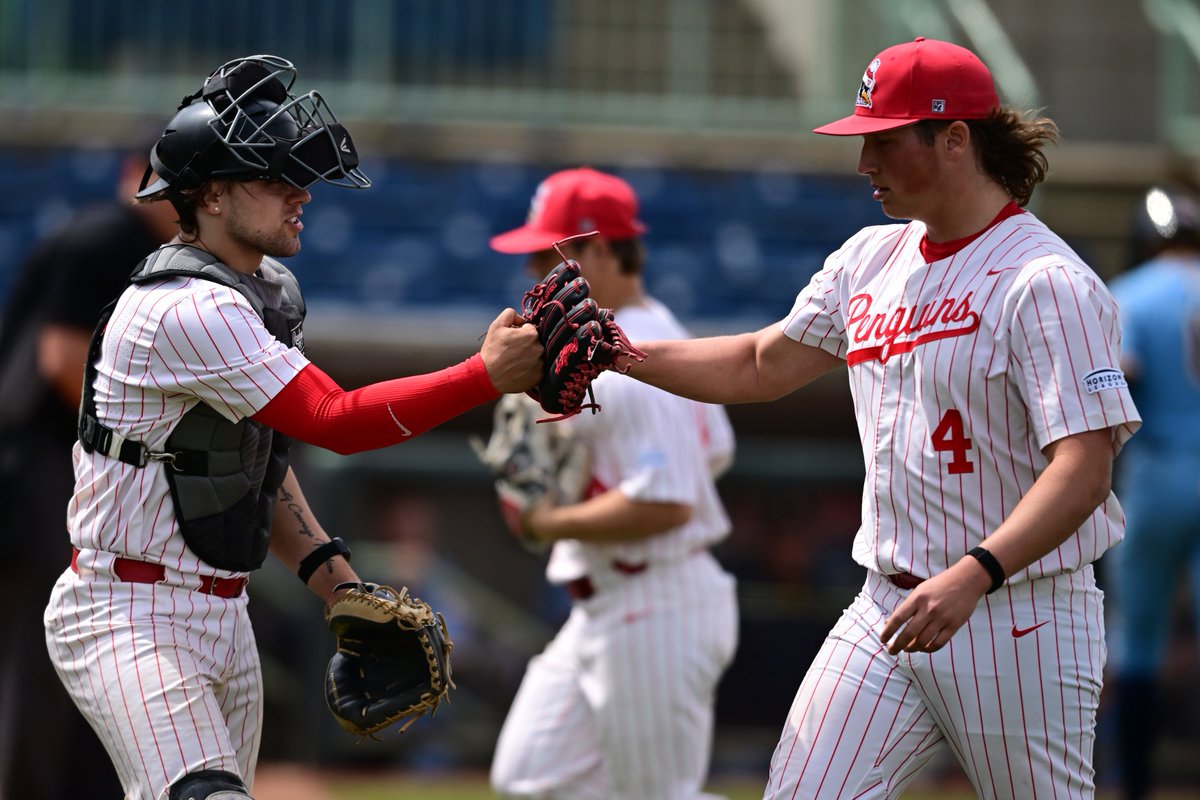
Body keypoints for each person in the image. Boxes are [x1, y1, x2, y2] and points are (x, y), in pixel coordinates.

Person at [618, 37, 1141, 799]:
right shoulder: (868, 258)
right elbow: (762, 365)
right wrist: (622, 353)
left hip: (1018, 611)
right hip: (884, 608)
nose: (864, 163)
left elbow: (1085, 471)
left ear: (955, 138)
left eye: (883, 140)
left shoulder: (1048, 282)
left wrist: (976, 573)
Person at [41, 54, 542, 800]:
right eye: (273, 176)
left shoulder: (259, 291)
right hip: (129, 610)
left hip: (222, 610)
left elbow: (253, 465)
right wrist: (482, 376)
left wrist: (337, 586)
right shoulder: (188, 308)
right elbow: (336, 422)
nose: (301, 192)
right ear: (210, 194)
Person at [486, 167, 740, 800]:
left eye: (546, 256)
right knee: (529, 777)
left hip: (656, 599)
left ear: (597, 250)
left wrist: (546, 520)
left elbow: (668, 502)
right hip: (611, 601)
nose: (532, 277)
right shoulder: (653, 332)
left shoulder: (636, 352)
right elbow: (717, 453)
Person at [0, 146, 177, 800]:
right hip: (41, 465)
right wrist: (151, 443)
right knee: (44, 653)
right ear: (134, 176)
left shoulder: (150, 255)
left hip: (60, 466)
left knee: (77, 650)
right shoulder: (108, 237)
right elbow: (62, 361)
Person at [1103, 185, 1200, 800]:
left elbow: (1121, 380)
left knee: (1137, 638)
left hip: (1159, 472)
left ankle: (1134, 787)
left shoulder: (1131, 295)